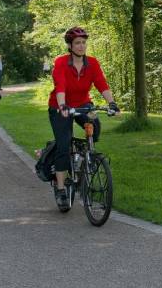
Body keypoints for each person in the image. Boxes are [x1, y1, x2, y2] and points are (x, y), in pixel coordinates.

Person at [48, 27, 119, 209]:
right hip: (60, 107)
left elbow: (101, 83)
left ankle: (82, 156)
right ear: (70, 46)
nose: (81, 46)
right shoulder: (61, 62)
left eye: (83, 42)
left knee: (95, 129)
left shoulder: (92, 63)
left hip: (83, 104)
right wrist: (63, 105)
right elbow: (60, 85)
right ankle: (62, 188)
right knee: (63, 146)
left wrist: (111, 103)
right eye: (77, 43)